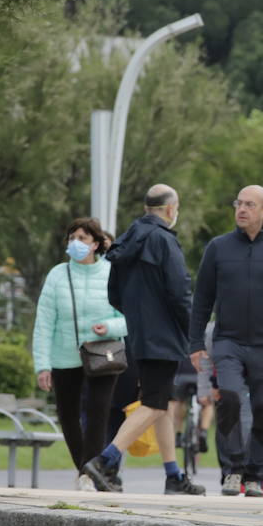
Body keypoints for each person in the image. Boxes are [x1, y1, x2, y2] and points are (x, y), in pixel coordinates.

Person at [81, 184, 204, 496]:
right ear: (170, 209)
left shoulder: (126, 240)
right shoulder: (164, 240)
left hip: (137, 335)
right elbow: (179, 293)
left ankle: (173, 475)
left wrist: (138, 319)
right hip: (163, 337)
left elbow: (114, 293)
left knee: (159, 402)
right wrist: (194, 333)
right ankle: (105, 460)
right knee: (153, 404)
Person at [190, 185, 263, 498]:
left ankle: (256, 476)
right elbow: (202, 298)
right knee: (228, 396)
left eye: (249, 205)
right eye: (238, 203)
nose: (241, 209)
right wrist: (195, 344)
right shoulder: (218, 248)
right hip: (227, 342)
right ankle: (232, 471)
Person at [31, 217, 126, 473]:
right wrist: (42, 365)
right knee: (68, 417)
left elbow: (129, 318)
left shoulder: (112, 272)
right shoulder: (57, 275)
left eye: (82, 238)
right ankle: (86, 471)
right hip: (64, 357)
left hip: (103, 354)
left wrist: (109, 327)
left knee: (98, 415)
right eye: (72, 238)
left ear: (95, 243)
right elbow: (43, 323)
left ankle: (90, 476)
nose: (76, 243)